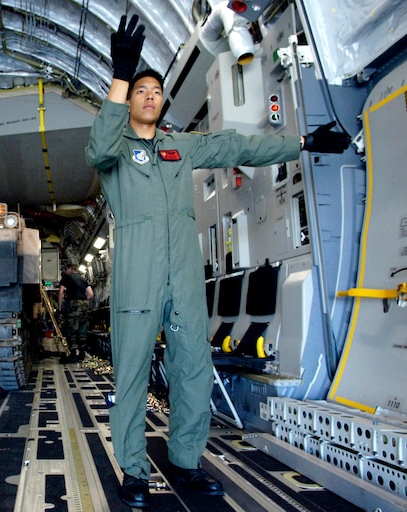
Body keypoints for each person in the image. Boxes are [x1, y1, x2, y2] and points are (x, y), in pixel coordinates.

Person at [85, 14, 350, 509]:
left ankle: (185, 461)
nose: (149, 96)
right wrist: (121, 73)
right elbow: (96, 146)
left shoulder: (178, 148)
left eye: (154, 91)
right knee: (132, 374)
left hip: (184, 277)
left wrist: (303, 142)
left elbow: (235, 144)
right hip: (137, 280)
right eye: (140, 90)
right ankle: (135, 471)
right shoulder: (115, 153)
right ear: (128, 99)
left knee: (193, 370)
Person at [58, 263, 94, 363]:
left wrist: (60, 308)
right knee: (82, 329)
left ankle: (73, 354)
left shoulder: (66, 277)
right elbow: (91, 294)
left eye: (65, 269)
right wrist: (82, 301)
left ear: (69, 269)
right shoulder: (83, 279)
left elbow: (61, 292)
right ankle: (82, 354)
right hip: (84, 306)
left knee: (72, 330)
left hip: (73, 306)